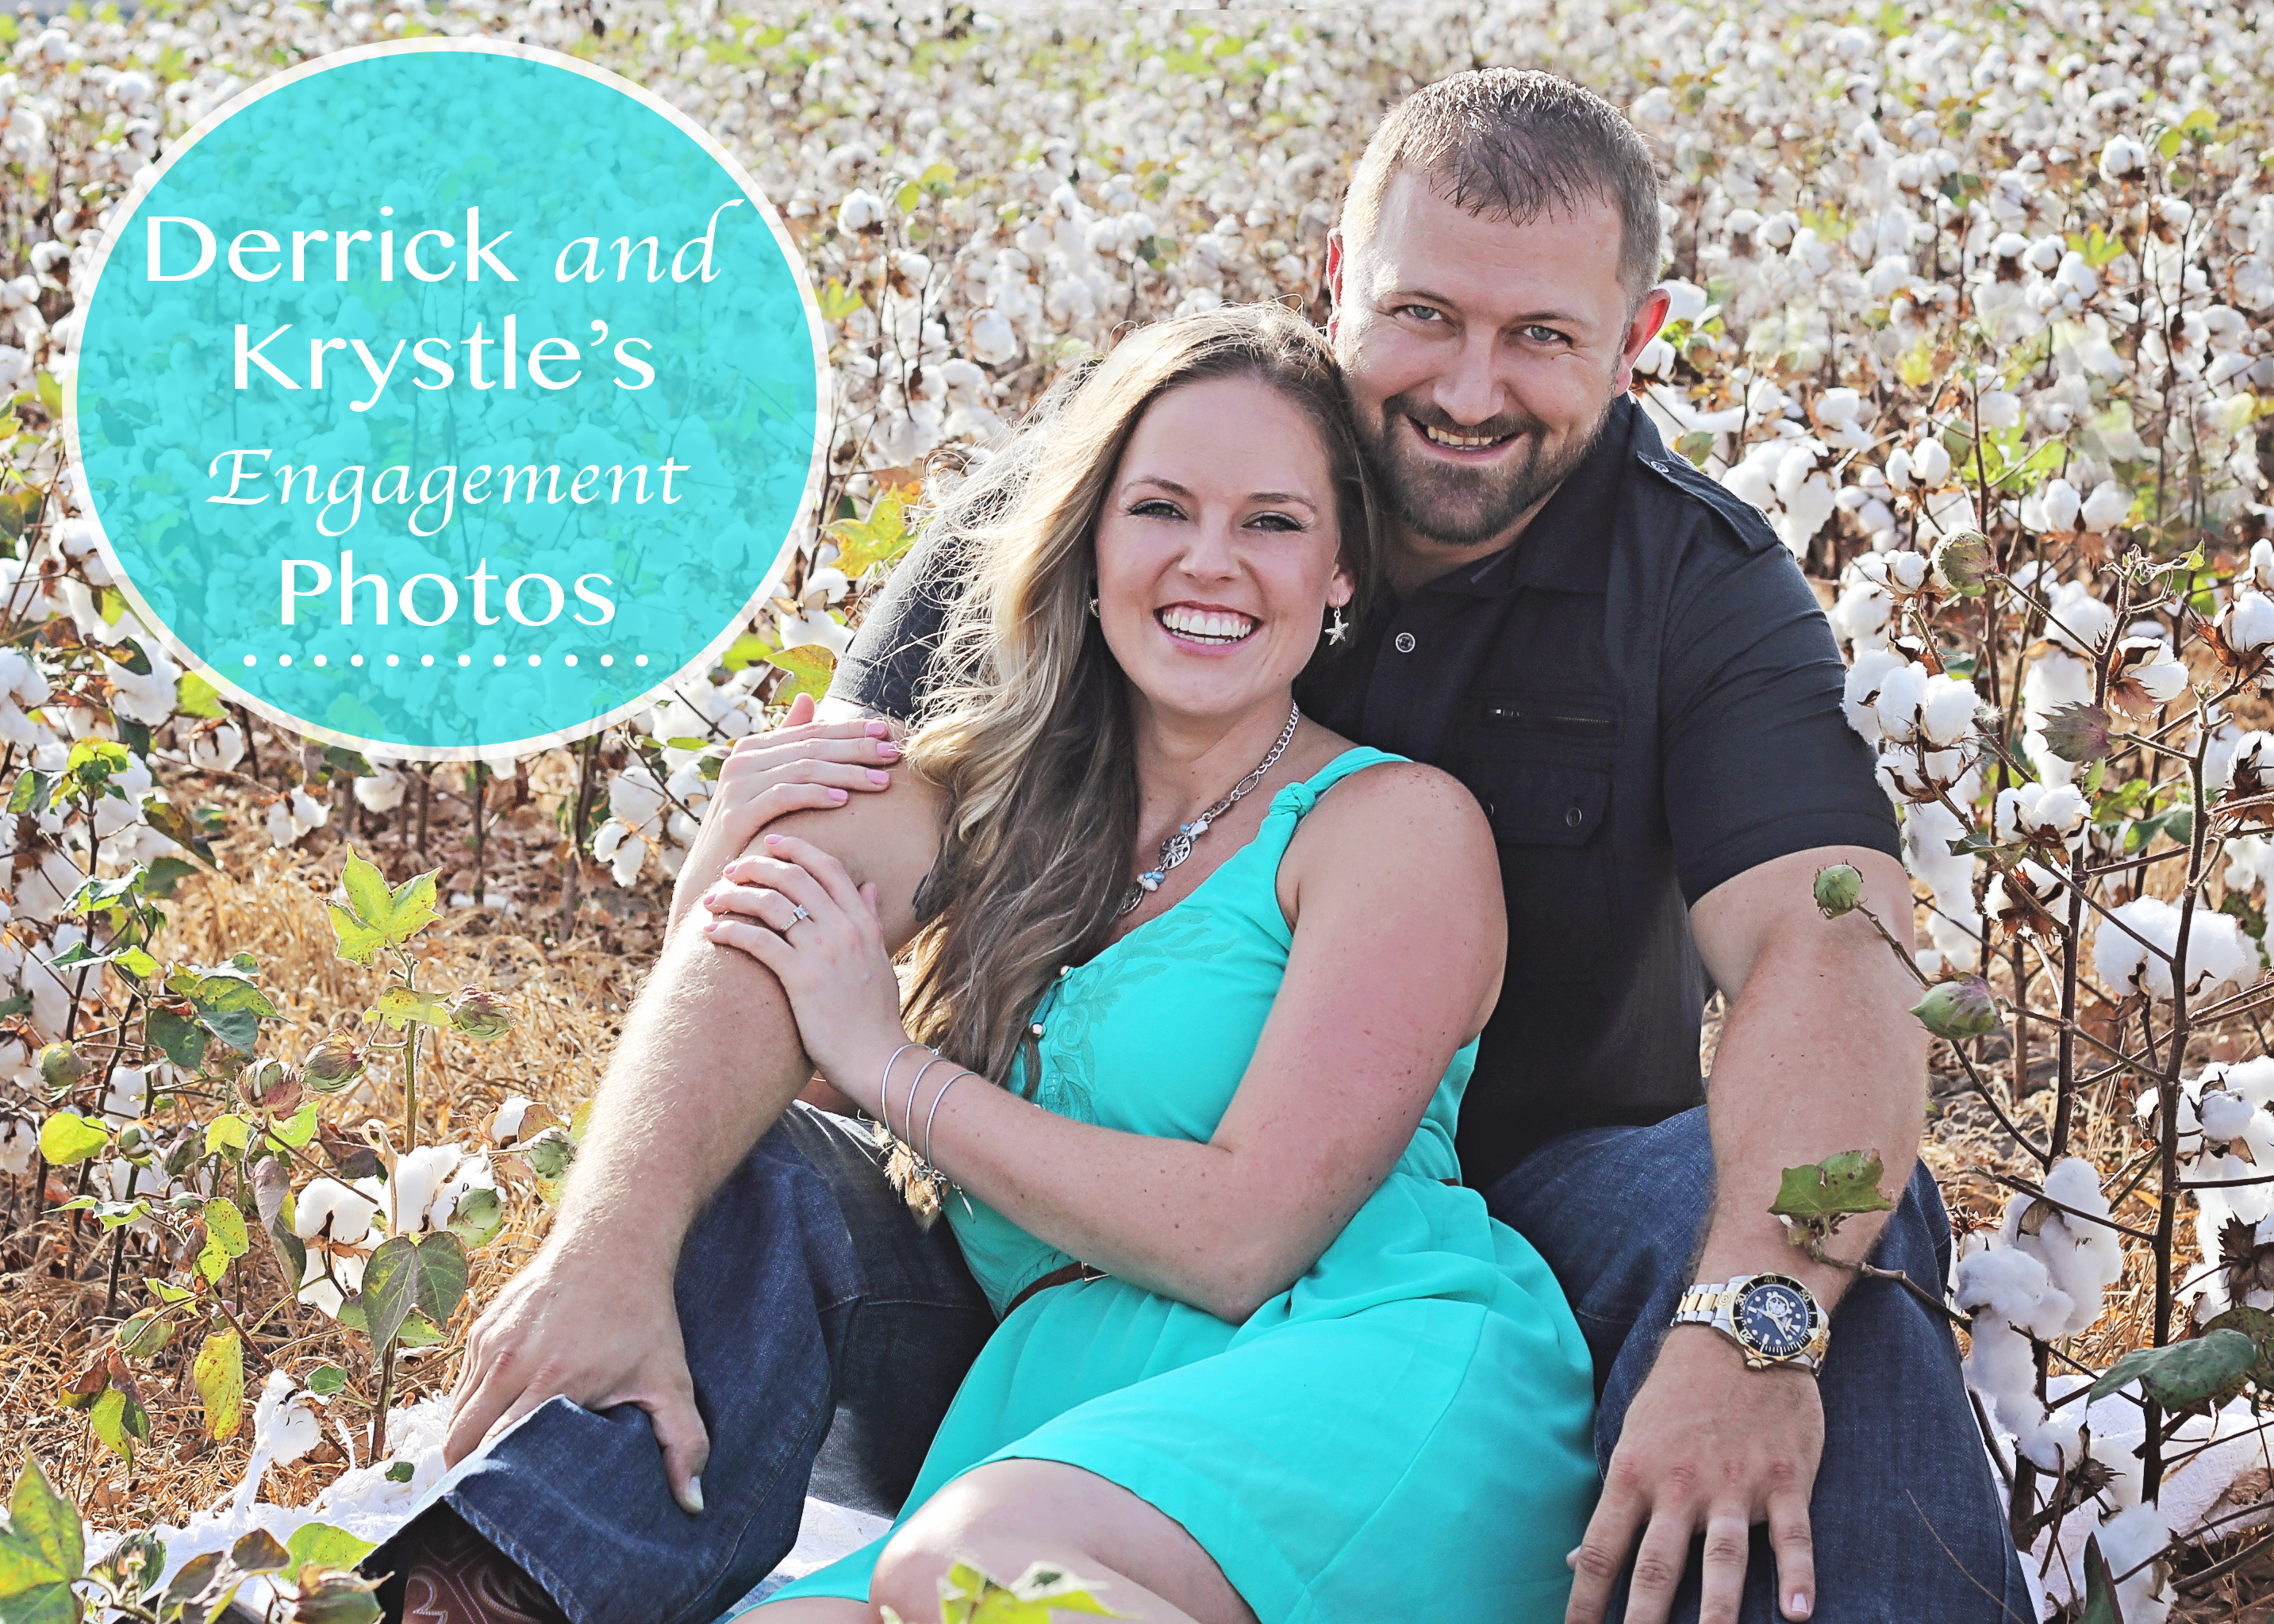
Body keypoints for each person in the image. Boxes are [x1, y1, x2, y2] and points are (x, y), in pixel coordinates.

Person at [413, 68, 2030, 1624]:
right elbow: (786, 916)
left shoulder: (1699, 586)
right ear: (1339, 281)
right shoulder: (1084, 513)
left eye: (1538, 335)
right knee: (729, 1171)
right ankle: (514, 1585)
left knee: (1803, 1213)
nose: (1468, 388)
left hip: (1502, 1233)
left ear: (1633, 343)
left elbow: (1827, 945)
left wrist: (1748, 1338)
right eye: (1422, 315)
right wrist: (606, 1246)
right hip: (1038, 1284)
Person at [683, 302, 1599, 1622]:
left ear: (1343, 569)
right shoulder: (992, 814)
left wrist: (887, 1064)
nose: (1211, 563)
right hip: (1067, 1392)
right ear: (1092, 541)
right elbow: (721, 1057)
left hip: (1359, 1362)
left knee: (986, 1573)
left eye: (1274, 523)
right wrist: (734, 833)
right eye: (1161, 509)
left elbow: (1241, 1240)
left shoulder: (1391, 825)